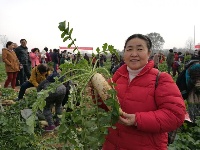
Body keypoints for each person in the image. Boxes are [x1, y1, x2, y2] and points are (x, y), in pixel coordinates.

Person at [102, 34, 186, 150]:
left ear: (149, 53)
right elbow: (105, 107)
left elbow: (176, 115)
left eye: (140, 49)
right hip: (112, 144)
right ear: (124, 53)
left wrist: (137, 120)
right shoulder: (116, 77)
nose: (134, 54)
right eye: (129, 49)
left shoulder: (161, 79)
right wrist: (94, 91)